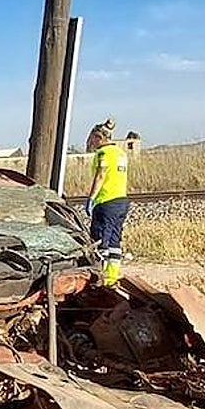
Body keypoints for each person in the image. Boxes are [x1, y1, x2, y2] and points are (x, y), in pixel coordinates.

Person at [84, 119, 129, 286]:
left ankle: (99, 278)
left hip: (106, 202)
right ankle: (111, 276)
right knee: (115, 240)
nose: (92, 143)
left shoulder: (103, 153)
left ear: (99, 137)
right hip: (121, 201)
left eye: (93, 139)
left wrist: (91, 198)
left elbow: (101, 175)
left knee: (101, 240)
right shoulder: (121, 153)